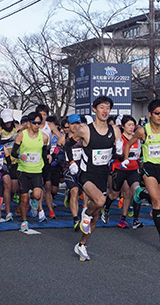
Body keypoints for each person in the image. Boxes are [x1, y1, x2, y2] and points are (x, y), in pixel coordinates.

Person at [65, 96, 121, 261]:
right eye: (102, 107)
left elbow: (117, 155)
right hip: (85, 174)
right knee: (100, 201)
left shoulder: (115, 131)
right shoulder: (85, 130)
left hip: (102, 175)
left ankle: (82, 244)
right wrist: (71, 163)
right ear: (95, 109)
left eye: (108, 108)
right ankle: (86, 214)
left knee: (96, 216)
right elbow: (68, 145)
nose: (105, 111)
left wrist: (119, 148)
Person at [123, 99, 160, 250]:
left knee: (159, 204)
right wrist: (126, 160)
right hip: (149, 168)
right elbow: (129, 144)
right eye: (157, 113)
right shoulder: (143, 130)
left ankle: (140, 195)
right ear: (150, 114)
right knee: (156, 200)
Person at [101, 115, 144, 229]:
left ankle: (131, 219)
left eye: (133, 125)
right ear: (123, 126)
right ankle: (106, 208)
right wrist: (122, 157)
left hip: (133, 169)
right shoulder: (119, 139)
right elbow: (114, 154)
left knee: (135, 192)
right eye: (129, 125)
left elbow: (139, 153)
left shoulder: (136, 139)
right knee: (115, 194)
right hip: (119, 169)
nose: (131, 127)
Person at [11, 112, 50, 231]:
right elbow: (13, 152)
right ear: (28, 123)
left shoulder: (44, 137)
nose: (37, 125)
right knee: (23, 198)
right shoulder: (21, 135)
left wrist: (48, 156)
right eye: (34, 123)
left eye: (39, 123)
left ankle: (32, 197)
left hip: (37, 170)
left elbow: (44, 153)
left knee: (37, 195)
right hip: (23, 170)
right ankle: (24, 221)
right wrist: (20, 155)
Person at [56, 114, 83, 230]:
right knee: (74, 191)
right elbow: (56, 151)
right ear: (69, 125)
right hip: (68, 169)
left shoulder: (84, 137)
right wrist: (53, 157)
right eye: (73, 124)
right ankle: (76, 219)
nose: (75, 126)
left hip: (82, 168)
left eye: (77, 124)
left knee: (80, 193)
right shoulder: (64, 138)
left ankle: (71, 200)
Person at [36, 104, 61, 219]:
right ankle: (40, 209)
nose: (42, 117)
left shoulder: (49, 125)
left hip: (46, 156)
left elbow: (61, 138)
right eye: (40, 114)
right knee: (39, 184)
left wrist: (54, 154)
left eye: (45, 115)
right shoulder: (32, 126)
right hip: (35, 157)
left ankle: (50, 210)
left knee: (48, 185)